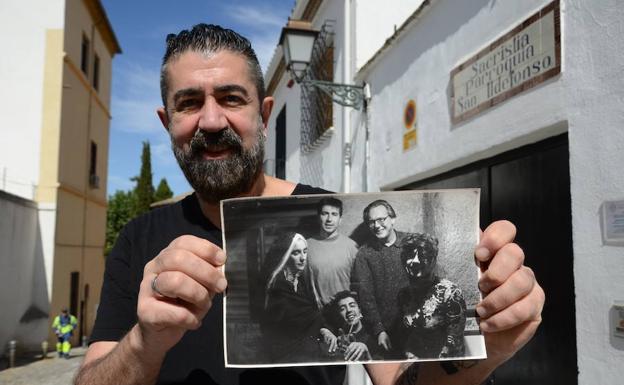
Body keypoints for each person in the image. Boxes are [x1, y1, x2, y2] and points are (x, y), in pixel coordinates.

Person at [75, 23, 544, 385]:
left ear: (263, 114)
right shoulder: (141, 239)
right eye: (190, 102)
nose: (212, 120)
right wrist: (143, 343)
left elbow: (401, 378)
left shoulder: (333, 217)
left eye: (231, 99)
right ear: (166, 120)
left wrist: (489, 353)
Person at [350, 199, 412, 357]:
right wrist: (379, 331)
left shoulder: (412, 243)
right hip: (386, 332)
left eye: (381, 219)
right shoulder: (364, 254)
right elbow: (366, 296)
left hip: (417, 325)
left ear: (393, 219)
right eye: (371, 222)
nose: (376, 226)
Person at [396, 233, 466, 359]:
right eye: (410, 256)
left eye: (422, 256)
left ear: (433, 260)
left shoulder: (449, 292)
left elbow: (454, 344)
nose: (415, 261)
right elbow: (406, 338)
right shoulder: (403, 295)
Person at [261, 232, 325, 363]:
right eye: (296, 253)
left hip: (306, 350)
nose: (303, 258)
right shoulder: (277, 287)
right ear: (285, 256)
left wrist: (324, 330)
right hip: (285, 355)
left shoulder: (303, 281)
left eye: (305, 251)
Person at [307, 197, 358, 306]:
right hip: (318, 313)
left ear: (340, 219)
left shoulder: (352, 246)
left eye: (334, 214)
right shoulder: (306, 246)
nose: (329, 219)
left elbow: (360, 284)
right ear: (318, 217)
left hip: (346, 312)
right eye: (325, 213)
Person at [323, 290, 378, 361]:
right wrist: (324, 331)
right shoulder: (337, 340)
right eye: (342, 309)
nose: (348, 310)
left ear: (360, 311)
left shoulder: (373, 339)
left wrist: (367, 355)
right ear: (339, 315)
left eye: (352, 305)